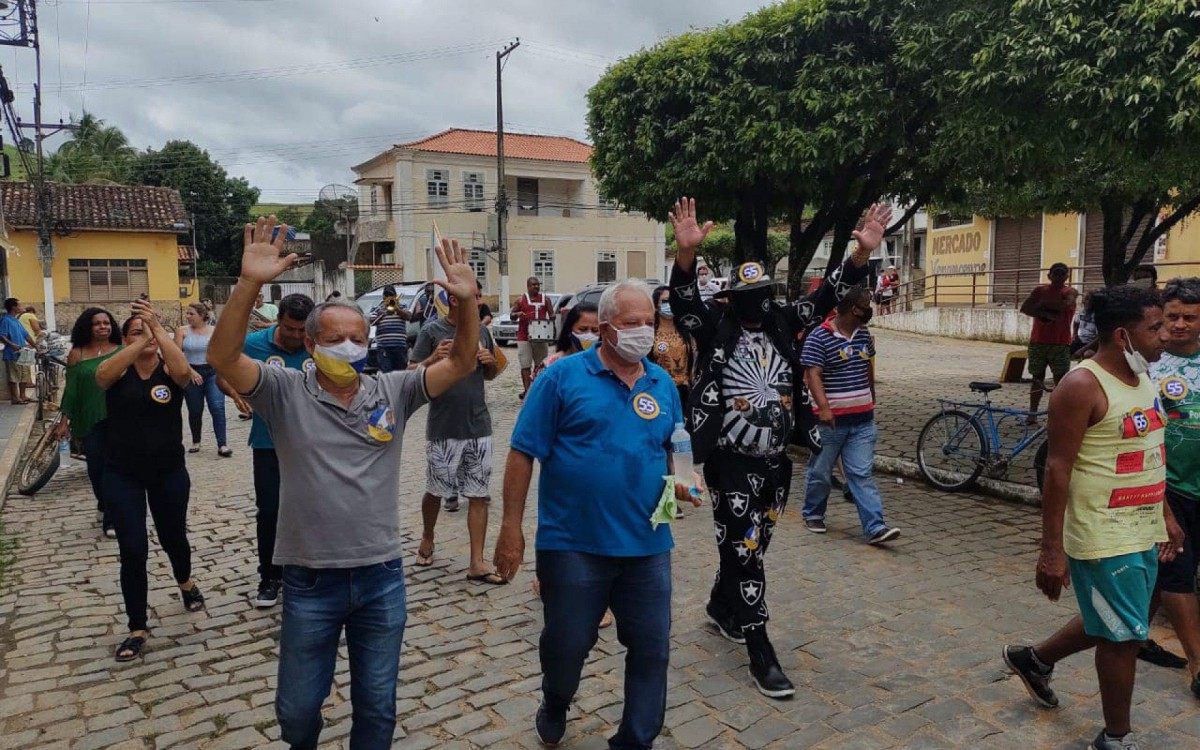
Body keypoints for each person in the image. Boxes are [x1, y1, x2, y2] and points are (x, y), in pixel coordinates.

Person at [208, 216, 480, 749]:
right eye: (335, 339)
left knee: (377, 710)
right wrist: (247, 286)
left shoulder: (394, 391)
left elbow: (466, 361)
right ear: (311, 346)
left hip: (381, 576)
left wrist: (467, 301)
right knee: (297, 713)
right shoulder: (282, 392)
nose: (349, 347)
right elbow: (222, 358)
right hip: (310, 579)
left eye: (358, 338)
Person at [668, 197, 892, 699]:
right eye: (746, 295)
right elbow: (683, 304)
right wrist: (685, 257)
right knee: (747, 552)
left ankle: (721, 607)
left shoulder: (780, 322)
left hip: (775, 463)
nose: (755, 303)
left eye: (762, 293)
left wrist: (860, 253)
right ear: (731, 296)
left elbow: (827, 296)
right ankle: (760, 650)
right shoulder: (714, 327)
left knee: (753, 543)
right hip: (728, 461)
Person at [493, 279, 699, 749]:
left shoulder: (661, 383)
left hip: (648, 544)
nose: (643, 332)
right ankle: (556, 698)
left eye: (649, 322)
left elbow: (672, 448)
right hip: (572, 545)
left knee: (652, 649)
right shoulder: (561, 379)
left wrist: (683, 482)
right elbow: (523, 452)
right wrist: (511, 529)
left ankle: (634, 739)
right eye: (632, 323)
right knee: (567, 646)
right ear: (604, 328)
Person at [1003, 284, 1184, 750]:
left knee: (1115, 617)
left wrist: (1165, 513)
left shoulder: (1142, 376)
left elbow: (1148, 452)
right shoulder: (1081, 385)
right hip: (1103, 534)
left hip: (1142, 526)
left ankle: (1035, 659)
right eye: (1156, 327)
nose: (1166, 335)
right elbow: (1057, 469)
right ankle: (1116, 737)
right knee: (1123, 637)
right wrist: (1050, 551)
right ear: (1123, 336)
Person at [96, 300, 205, 661]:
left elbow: (184, 371)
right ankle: (137, 626)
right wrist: (135, 344)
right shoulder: (117, 369)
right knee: (133, 548)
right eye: (135, 332)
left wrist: (156, 328)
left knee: (174, 536)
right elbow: (102, 377)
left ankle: (185, 581)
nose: (145, 338)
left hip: (167, 470)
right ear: (124, 339)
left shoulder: (168, 369)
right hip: (121, 471)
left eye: (150, 332)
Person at [409, 280, 504, 583]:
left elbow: (490, 374)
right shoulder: (431, 332)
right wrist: (431, 359)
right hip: (444, 426)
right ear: (452, 299)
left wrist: (490, 364)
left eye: (478, 296)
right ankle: (427, 536)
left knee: (479, 494)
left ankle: (477, 560)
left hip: (479, 425)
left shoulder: (483, 332)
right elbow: (409, 375)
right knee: (435, 489)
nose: (477, 302)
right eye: (471, 297)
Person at [801, 286, 900, 544]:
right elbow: (813, 374)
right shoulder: (819, 336)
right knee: (821, 471)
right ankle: (813, 512)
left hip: (862, 420)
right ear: (849, 308)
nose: (868, 309)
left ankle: (875, 527)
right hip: (830, 421)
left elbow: (867, 365)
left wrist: (872, 396)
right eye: (864, 305)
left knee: (860, 473)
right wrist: (823, 408)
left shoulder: (864, 335)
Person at [241, 293, 315, 608]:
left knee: (312, 511)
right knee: (270, 511)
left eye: (303, 331)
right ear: (279, 321)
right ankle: (270, 576)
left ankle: (309, 571)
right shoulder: (254, 344)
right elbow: (223, 375)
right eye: (290, 329)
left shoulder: (320, 343)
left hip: (314, 446)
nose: (297, 337)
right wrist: (235, 392)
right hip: (268, 443)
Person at [1147, 277, 1200, 696]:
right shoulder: (1149, 365)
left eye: (1190, 317)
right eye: (1173, 316)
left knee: (1160, 575)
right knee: (1177, 573)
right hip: (1168, 488)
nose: (1181, 324)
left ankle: (1133, 636)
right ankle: (1199, 666)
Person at [55, 307, 123, 538]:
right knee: (96, 470)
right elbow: (71, 391)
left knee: (116, 469)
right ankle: (103, 504)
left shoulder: (122, 351)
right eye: (97, 323)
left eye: (107, 322)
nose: (103, 327)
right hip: (89, 420)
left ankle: (111, 519)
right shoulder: (77, 354)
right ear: (88, 327)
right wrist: (64, 420)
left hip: (118, 419)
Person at [1020, 263, 1076, 422]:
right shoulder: (1039, 291)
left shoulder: (1070, 291)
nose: (1059, 276)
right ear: (1049, 275)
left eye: (1062, 273)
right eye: (1056, 273)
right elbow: (1025, 308)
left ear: (1067, 276)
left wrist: (1041, 307)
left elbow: (1067, 304)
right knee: (1037, 378)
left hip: (1060, 343)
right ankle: (1032, 414)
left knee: (1060, 380)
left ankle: (1058, 414)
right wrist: (1046, 311)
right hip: (1039, 341)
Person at [176, 303, 231, 457]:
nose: (188, 316)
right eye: (187, 313)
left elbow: (221, 352)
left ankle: (222, 444)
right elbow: (176, 354)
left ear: (201, 315)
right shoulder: (182, 331)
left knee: (217, 406)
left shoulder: (213, 331)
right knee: (195, 409)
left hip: (211, 372)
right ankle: (196, 440)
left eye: (191, 313)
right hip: (191, 371)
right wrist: (190, 372)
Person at [651, 285, 694, 409]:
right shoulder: (650, 333)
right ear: (655, 305)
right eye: (665, 301)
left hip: (684, 392)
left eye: (673, 301)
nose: (669, 305)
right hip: (659, 391)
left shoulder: (687, 331)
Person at [511, 275, 553, 398]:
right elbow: (512, 315)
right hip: (524, 336)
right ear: (528, 286)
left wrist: (552, 322)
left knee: (540, 365)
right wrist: (518, 313)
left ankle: (537, 389)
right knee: (525, 365)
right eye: (533, 285)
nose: (536, 287)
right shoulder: (520, 300)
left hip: (541, 337)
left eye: (538, 285)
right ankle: (528, 391)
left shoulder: (546, 299)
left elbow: (551, 315)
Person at [0, 297, 35, 404]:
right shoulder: (6, 320)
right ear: (13, 307)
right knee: (14, 377)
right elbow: (2, 336)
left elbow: (26, 335)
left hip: (22, 352)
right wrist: (12, 345)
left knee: (24, 375)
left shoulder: (16, 320)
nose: (21, 307)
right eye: (19, 305)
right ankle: (15, 398)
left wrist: (35, 345)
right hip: (12, 353)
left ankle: (23, 396)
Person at [371, 285, 410, 373]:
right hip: (384, 346)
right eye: (386, 295)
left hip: (399, 346)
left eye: (390, 295)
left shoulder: (402, 306)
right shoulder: (378, 308)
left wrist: (397, 309)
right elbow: (371, 322)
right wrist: (381, 314)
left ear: (395, 296)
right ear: (383, 296)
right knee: (386, 372)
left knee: (400, 371)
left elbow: (408, 316)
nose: (389, 297)